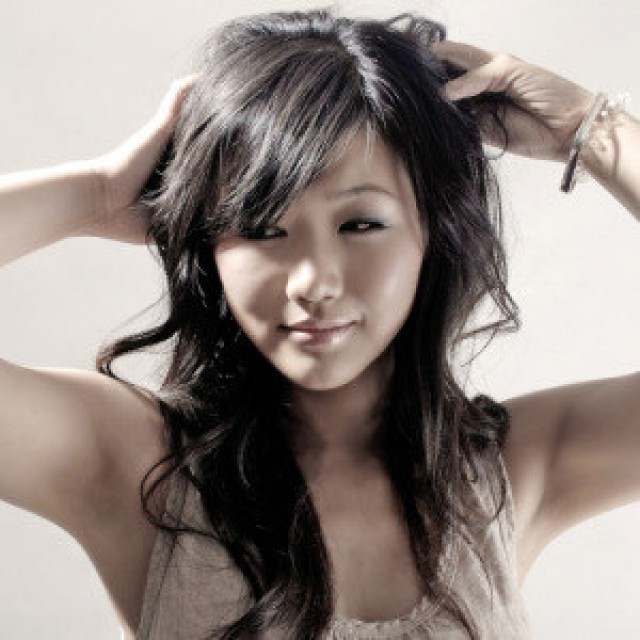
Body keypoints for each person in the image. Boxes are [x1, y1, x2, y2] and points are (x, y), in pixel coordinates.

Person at [1, 8, 638, 640]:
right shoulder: (136, 465)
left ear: (430, 232)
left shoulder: (517, 469)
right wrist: (96, 194)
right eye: (261, 229)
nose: (312, 281)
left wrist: (589, 126)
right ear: (211, 245)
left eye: (359, 224)